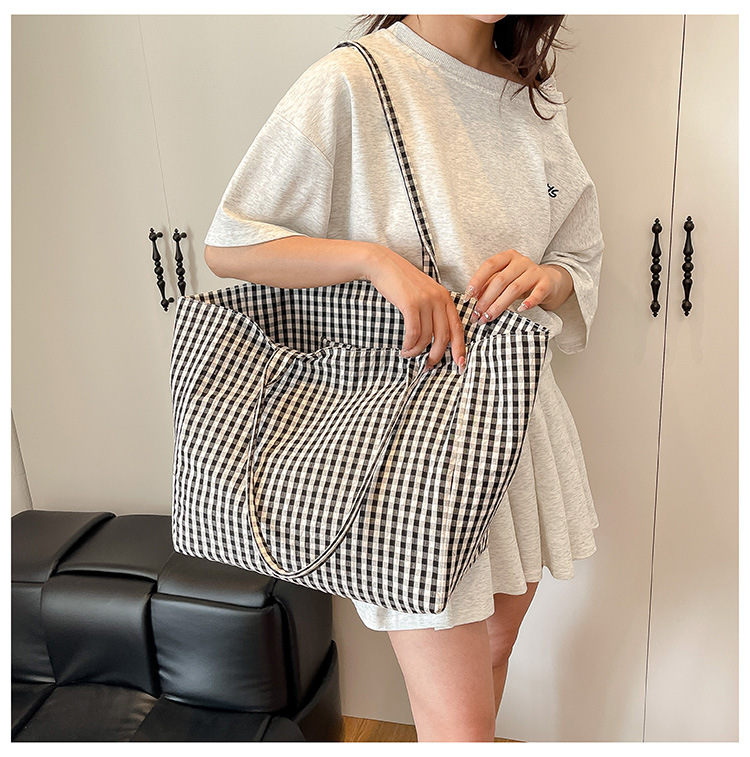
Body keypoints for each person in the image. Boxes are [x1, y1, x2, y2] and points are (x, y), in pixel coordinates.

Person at [203, 14, 605, 743]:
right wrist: (375, 262)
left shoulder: (532, 100)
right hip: (409, 442)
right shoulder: (353, 80)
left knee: (494, 654)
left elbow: (577, 253)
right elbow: (232, 244)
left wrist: (545, 278)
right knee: (459, 728)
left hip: (514, 422)